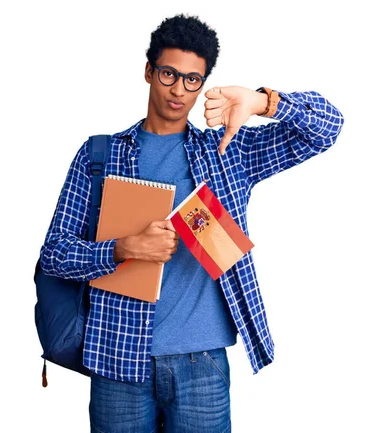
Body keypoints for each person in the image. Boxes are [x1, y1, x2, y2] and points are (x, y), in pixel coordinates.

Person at [40, 13, 344, 433]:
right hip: (116, 359)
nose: (178, 90)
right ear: (149, 71)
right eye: (168, 74)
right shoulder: (100, 155)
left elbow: (327, 128)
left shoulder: (228, 151)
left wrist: (259, 102)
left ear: (203, 84)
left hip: (202, 364)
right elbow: (54, 254)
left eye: (192, 80)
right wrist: (121, 249)